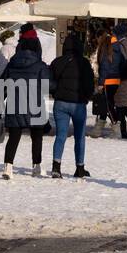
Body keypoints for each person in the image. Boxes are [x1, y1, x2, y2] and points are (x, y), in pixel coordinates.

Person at [0, 27, 50, 178]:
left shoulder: (12, 63)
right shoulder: (40, 65)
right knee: (37, 135)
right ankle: (36, 166)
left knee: (14, 137)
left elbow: (2, 84)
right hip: (35, 103)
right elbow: (49, 85)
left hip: (15, 103)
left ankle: (8, 167)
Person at [48, 30, 95, 178]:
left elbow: (49, 83)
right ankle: (79, 168)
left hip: (60, 103)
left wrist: (56, 93)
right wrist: (86, 97)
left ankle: (56, 167)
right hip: (78, 104)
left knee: (60, 135)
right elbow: (89, 84)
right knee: (79, 136)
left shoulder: (57, 62)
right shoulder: (85, 63)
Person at [95, 28, 121, 135]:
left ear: (100, 37)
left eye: (97, 39)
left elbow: (105, 67)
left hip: (107, 80)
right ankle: (98, 129)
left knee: (108, 105)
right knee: (106, 103)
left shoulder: (105, 47)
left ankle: (116, 129)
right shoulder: (117, 46)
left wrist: (101, 83)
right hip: (116, 80)